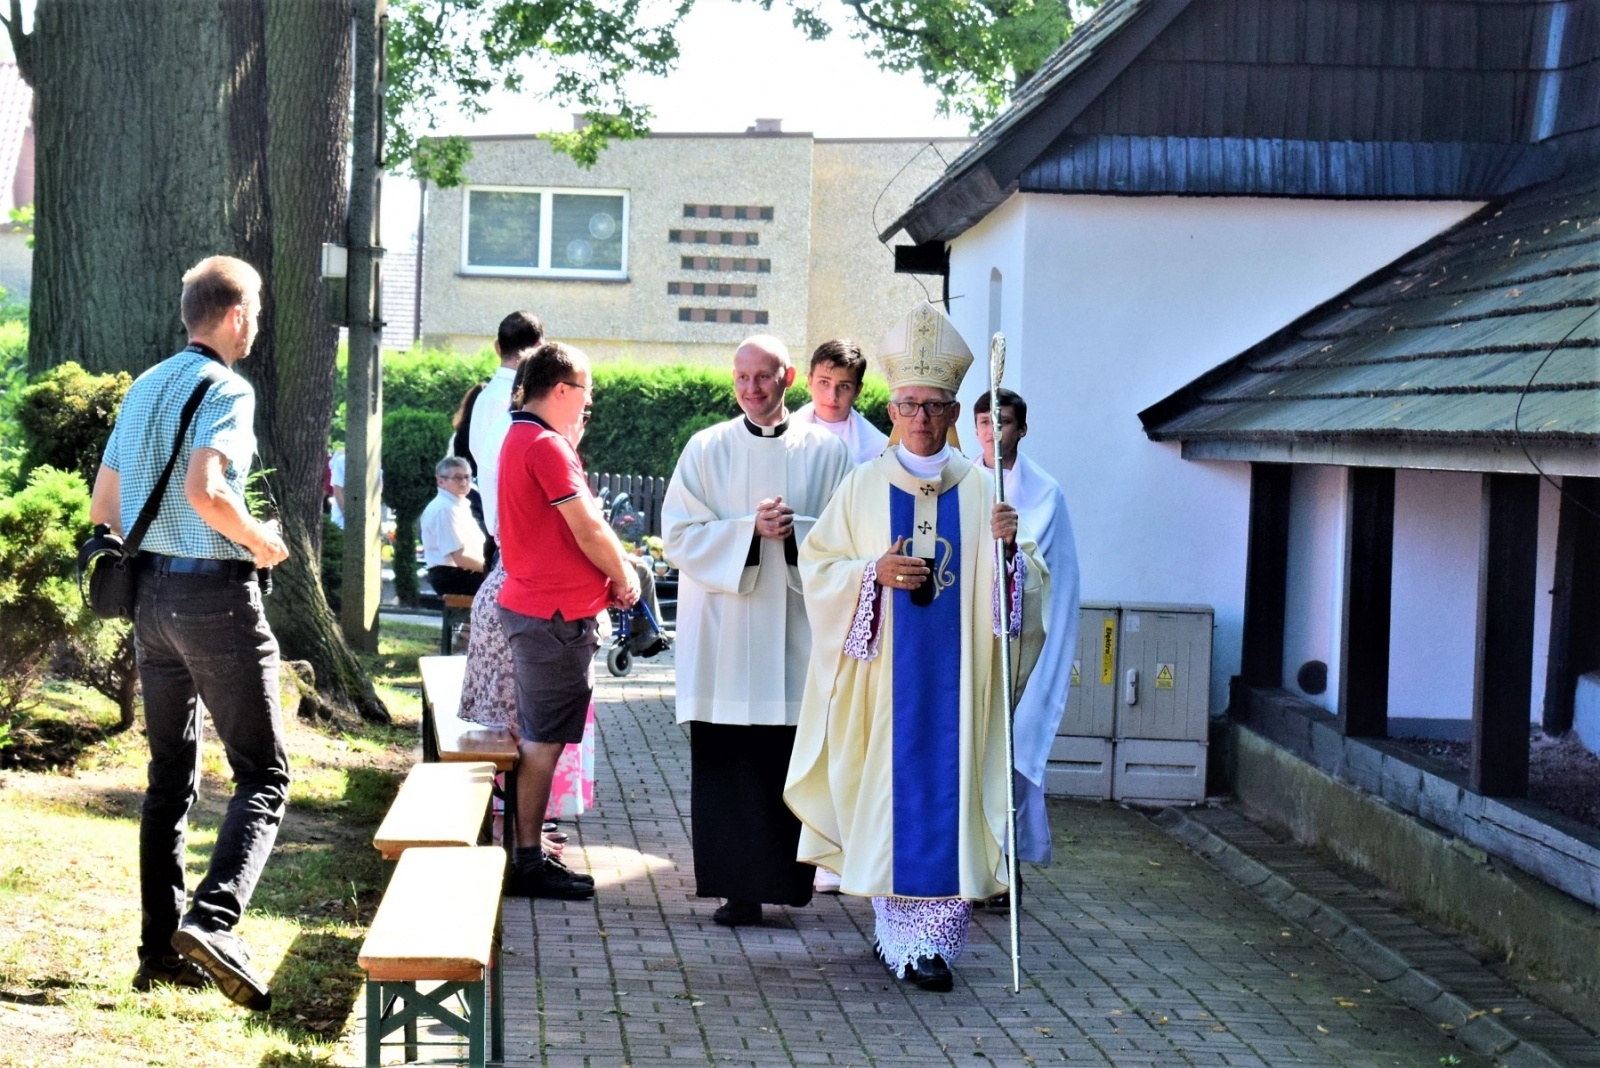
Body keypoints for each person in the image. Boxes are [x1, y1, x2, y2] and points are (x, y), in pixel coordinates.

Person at [783, 300, 1047, 992]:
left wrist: (1011, 549)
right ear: (893, 411)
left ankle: (929, 944)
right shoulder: (863, 486)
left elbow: (1026, 597)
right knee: (887, 800)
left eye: (935, 406)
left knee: (950, 800)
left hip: (958, 688)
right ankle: (898, 933)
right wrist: (872, 573)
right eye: (908, 405)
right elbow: (820, 568)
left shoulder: (984, 492)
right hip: (884, 691)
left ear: (956, 414)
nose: (921, 418)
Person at [89, 255, 291, 1010]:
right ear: (235, 316)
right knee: (263, 775)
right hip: (214, 596)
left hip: (148, 601)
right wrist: (261, 541)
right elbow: (207, 491)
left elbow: (104, 506)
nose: (259, 324)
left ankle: (156, 953)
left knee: (169, 778)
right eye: (258, 310)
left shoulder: (145, 386)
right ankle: (213, 920)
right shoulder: (228, 389)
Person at [662, 335, 853, 927]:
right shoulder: (705, 447)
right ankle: (735, 891)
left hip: (796, 637)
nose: (751, 388)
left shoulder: (826, 451)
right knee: (728, 765)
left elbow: (850, 536)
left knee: (781, 764)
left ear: (788, 377)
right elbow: (678, 536)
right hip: (724, 639)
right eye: (742, 378)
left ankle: (783, 884)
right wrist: (748, 530)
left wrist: (796, 532)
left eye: (763, 377)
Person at [495, 340, 641, 899]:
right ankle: (528, 860)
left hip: (540, 609)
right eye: (586, 392)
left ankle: (527, 853)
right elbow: (588, 529)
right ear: (561, 390)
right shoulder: (546, 445)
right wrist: (624, 578)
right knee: (542, 742)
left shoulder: (521, 436)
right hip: (552, 616)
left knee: (543, 737)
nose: (588, 403)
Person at [974, 388, 1080, 872]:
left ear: (1022, 429)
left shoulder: (1045, 493)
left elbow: (1042, 574)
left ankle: (1005, 863)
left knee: (1013, 749)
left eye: (1004, 423)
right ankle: (974, 862)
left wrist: (1013, 547)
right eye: (984, 423)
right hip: (972, 638)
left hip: (1026, 644)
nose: (993, 433)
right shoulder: (958, 479)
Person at [469, 310, 543, 563]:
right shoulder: (529, 402)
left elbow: (480, 457)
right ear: (539, 348)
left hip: (495, 524)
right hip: (519, 530)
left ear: (497, 347)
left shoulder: (482, 398)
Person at [790, 338, 889, 465]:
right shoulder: (787, 432)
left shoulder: (877, 448)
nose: (832, 396)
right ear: (810, 381)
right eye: (824, 382)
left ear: (857, 390)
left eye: (844, 386)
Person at [420, 456, 488, 597]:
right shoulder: (444, 509)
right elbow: (460, 557)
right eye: (457, 478)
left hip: (464, 573)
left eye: (467, 477)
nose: (464, 482)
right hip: (454, 577)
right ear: (441, 481)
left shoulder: (458, 505)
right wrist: (493, 571)